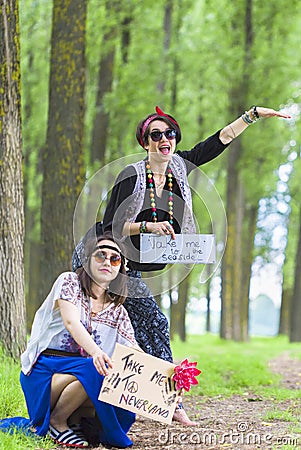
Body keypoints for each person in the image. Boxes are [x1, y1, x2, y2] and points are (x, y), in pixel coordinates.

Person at [100, 105, 291, 426]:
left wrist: (253, 115)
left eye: (169, 133)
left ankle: (146, 403)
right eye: (156, 134)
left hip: (137, 266)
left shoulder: (179, 167)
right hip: (112, 264)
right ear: (145, 142)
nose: (164, 139)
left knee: (135, 334)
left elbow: (220, 140)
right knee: (156, 325)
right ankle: (170, 403)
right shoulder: (131, 175)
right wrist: (147, 227)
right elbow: (109, 227)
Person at [0, 232, 138, 448]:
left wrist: (166, 380)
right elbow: (71, 322)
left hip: (82, 372)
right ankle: (57, 421)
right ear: (87, 259)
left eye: (115, 258)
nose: (107, 262)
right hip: (47, 370)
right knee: (96, 367)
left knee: (111, 384)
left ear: (120, 269)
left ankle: (75, 422)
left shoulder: (118, 311)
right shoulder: (70, 281)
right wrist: (96, 353)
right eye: (100, 255)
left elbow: (134, 351)